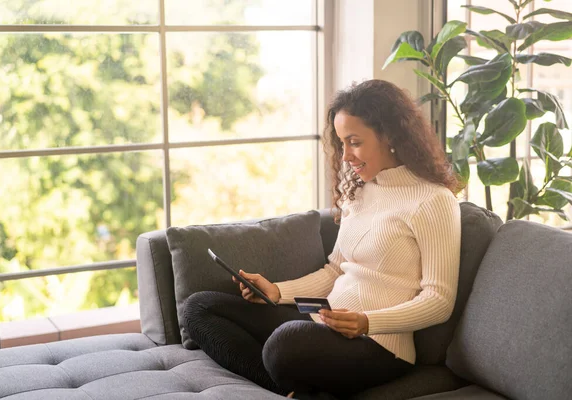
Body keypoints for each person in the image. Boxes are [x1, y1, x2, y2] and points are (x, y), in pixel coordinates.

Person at [184, 79, 462, 399]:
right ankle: (293, 390)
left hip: (378, 346)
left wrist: (367, 322)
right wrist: (277, 292)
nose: (345, 157)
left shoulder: (434, 200)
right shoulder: (361, 192)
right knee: (199, 307)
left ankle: (295, 380)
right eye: (342, 143)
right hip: (319, 326)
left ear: (390, 135)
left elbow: (439, 301)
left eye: (354, 142)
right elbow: (334, 272)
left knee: (286, 344)